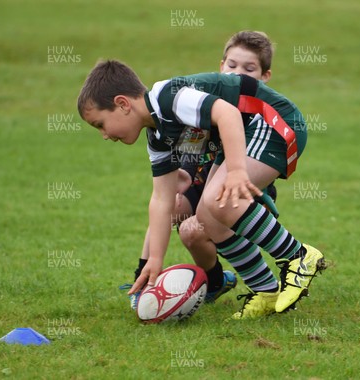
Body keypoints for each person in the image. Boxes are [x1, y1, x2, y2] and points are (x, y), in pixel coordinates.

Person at [77, 58, 326, 319]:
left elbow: (228, 113)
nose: (104, 135)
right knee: (208, 217)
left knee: (218, 198)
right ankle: (264, 290)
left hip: (272, 119)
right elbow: (162, 200)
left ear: (122, 104)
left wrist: (238, 172)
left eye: (100, 124)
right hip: (246, 130)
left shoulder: (167, 98)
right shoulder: (157, 137)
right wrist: (154, 261)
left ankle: (299, 255)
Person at [127, 31, 280, 309]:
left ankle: (264, 285)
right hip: (199, 180)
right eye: (231, 66)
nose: (236, 74)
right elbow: (185, 146)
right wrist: (180, 174)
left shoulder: (252, 113)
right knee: (171, 206)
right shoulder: (200, 100)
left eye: (249, 69)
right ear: (220, 65)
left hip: (234, 187)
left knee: (193, 229)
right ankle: (152, 277)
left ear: (264, 76)